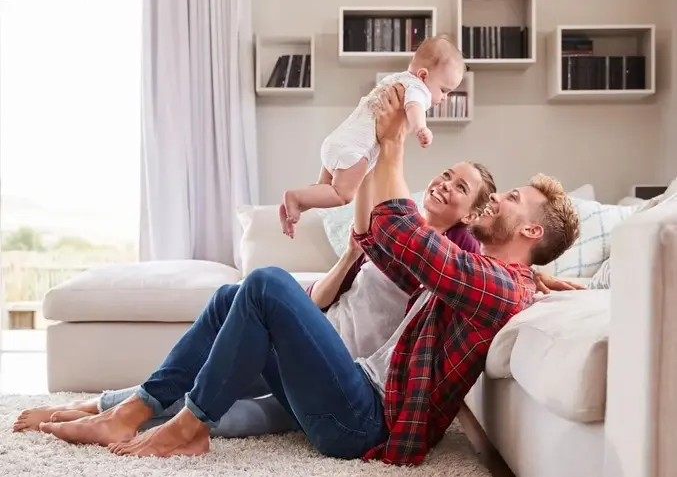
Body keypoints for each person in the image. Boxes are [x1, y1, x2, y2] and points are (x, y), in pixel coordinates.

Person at [34, 84, 581, 466]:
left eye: (511, 199)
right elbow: (389, 245)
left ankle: (185, 428)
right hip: (349, 385)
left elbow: (410, 243)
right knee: (235, 295)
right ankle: (134, 410)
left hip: (367, 423)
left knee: (268, 282)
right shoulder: (499, 279)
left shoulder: (500, 284)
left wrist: (391, 145)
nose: (499, 202)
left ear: (530, 234)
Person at [13, 158, 496, 434]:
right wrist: (350, 257)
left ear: (472, 214)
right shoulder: (395, 227)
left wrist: (533, 277)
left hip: (342, 379)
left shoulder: (451, 258)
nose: (444, 185)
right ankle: (109, 408)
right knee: (231, 304)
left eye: (460, 188)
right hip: (311, 347)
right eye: (447, 175)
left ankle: (131, 416)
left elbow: (487, 273)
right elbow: (321, 303)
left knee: (234, 410)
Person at [279, 34, 465, 238]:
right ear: (423, 75)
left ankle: (293, 206)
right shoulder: (417, 89)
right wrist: (421, 128)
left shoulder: (394, 79)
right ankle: (295, 197)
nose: (444, 97)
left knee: (324, 189)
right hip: (355, 151)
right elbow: (414, 107)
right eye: (444, 90)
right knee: (342, 195)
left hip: (338, 141)